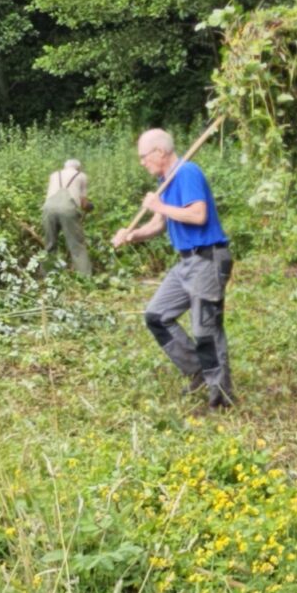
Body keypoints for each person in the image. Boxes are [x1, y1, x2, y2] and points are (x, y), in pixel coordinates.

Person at [111, 128, 235, 408]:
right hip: (186, 262)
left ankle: (221, 399)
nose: (142, 162)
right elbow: (157, 224)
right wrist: (132, 235)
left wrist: (160, 206)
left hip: (207, 258)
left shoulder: (187, 172)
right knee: (157, 316)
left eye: (144, 156)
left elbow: (198, 215)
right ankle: (199, 371)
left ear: (159, 152)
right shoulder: (164, 181)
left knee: (205, 330)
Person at [39, 158, 93, 277]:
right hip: (68, 209)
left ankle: (46, 278)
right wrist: (90, 207)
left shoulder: (54, 175)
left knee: (49, 245)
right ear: (78, 168)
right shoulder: (81, 176)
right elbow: (84, 204)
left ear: (65, 167)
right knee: (76, 246)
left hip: (48, 209)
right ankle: (85, 279)